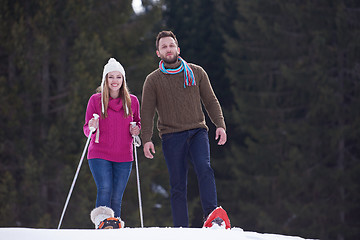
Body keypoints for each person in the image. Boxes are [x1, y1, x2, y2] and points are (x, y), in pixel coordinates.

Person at [141, 31, 227, 227]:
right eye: (164, 47)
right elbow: (146, 112)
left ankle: (213, 218)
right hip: (171, 136)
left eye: (171, 45)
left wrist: (220, 125)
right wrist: (147, 139)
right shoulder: (153, 80)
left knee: (204, 168)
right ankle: (181, 229)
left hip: (197, 131)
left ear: (178, 49)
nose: (168, 49)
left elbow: (211, 101)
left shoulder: (196, 72)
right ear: (158, 53)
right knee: (178, 184)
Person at [83, 58, 141, 221]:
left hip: (124, 155)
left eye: (118, 77)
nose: (115, 81)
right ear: (105, 79)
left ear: (123, 79)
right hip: (99, 153)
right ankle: (102, 224)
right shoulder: (95, 100)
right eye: (111, 77)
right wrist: (92, 126)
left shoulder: (133, 101)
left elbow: (137, 125)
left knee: (117, 196)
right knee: (105, 188)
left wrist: (136, 130)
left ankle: (114, 228)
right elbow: (87, 129)